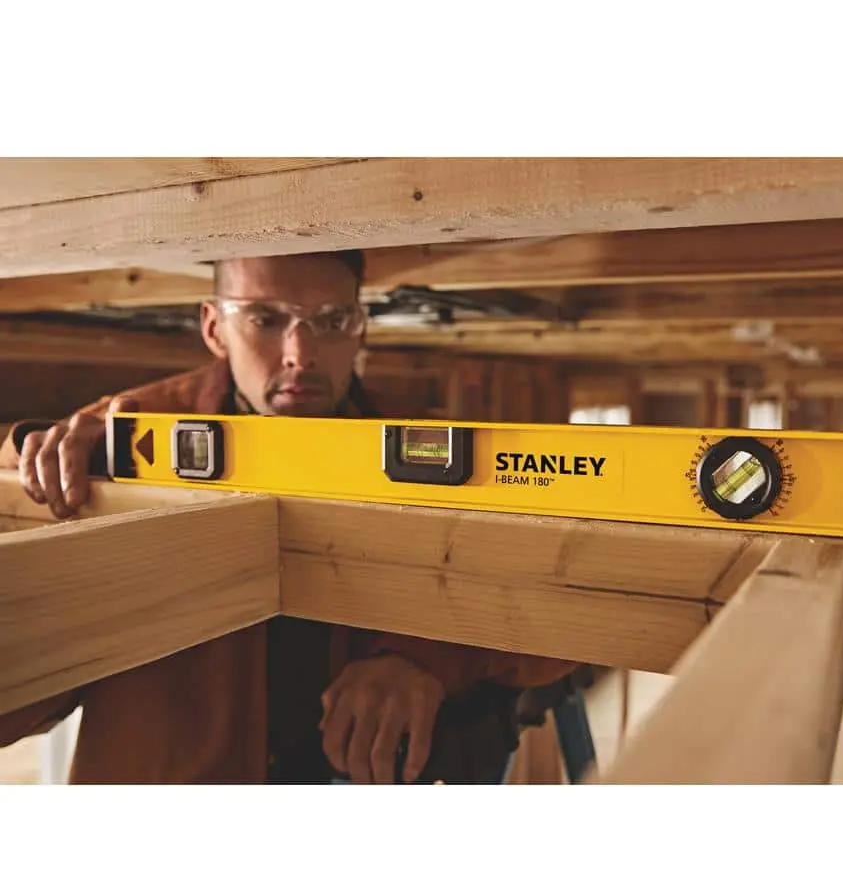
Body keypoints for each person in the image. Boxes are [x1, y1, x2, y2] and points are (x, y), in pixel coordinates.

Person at [0, 250, 578, 784]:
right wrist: (43, 462)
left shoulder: (425, 448)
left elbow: (567, 598)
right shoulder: (130, 430)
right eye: (265, 318)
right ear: (213, 328)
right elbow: (17, 474)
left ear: (360, 327)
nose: (301, 354)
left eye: (331, 320)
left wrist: (428, 656)